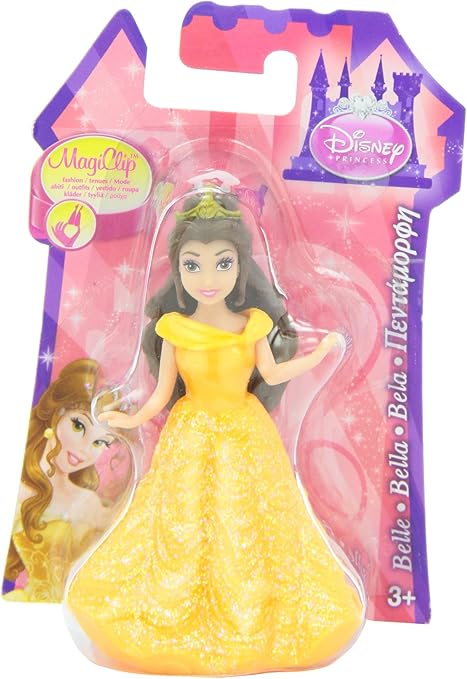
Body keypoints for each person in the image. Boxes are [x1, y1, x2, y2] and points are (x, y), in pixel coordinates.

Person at [65, 191, 365, 674]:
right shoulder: (173, 330)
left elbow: (274, 373)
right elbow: (161, 394)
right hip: (191, 432)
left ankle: (252, 610)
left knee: (251, 520)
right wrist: (128, 420)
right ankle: (174, 603)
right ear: (178, 269)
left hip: (246, 432)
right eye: (193, 265)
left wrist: (323, 351)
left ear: (241, 266)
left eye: (222, 263)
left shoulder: (253, 325)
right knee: (182, 519)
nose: (208, 278)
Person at [4, 359, 118, 602]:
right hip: (26, 607)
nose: (84, 449)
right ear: (57, 413)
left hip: (79, 609)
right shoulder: (17, 487)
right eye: (78, 426)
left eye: (100, 442)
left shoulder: (89, 501)